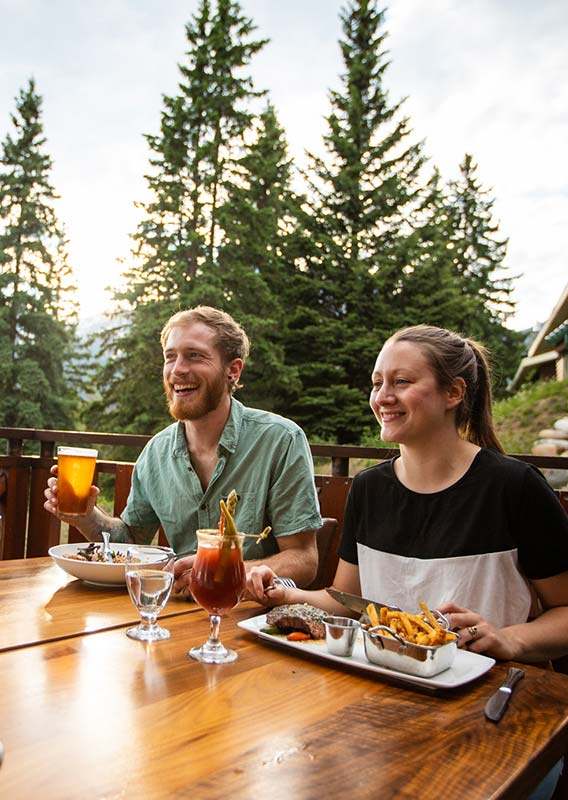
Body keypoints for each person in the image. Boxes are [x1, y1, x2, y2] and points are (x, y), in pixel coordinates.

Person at [254, 323, 568, 800]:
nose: (383, 395)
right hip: (383, 705)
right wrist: (286, 592)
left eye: (401, 382)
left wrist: (509, 638)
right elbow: (351, 603)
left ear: (454, 393)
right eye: (377, 382)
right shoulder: (370, 490)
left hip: (492, 716)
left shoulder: (514, 488)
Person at [44, 306, 322, 597]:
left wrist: (221, 574)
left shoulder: (280, 440)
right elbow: (131, 540)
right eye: (170, 356)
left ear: (233, 370)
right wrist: (87, 517)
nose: (177, 369)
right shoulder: (156, 453)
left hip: (252, 618)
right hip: (174, 615)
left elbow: (303, 560)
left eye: (195, 355)